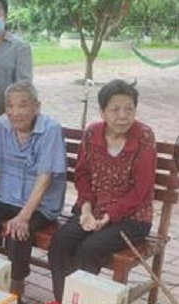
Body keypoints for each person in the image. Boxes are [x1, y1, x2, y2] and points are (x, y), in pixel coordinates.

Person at [48, 80, 155, 302]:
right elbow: (83, 175)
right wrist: (86, 210)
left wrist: (107, 216)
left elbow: (141, 191)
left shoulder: (144, 136)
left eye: (129, 109)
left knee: (90, 249)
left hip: (132, 217)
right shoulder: (92, 133)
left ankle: (78, 299)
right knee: (60, 242)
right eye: (115, 109)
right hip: (92, 210)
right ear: (102, 112)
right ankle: (64, 299)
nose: (123, 116)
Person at [0, 81, 67, 297]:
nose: (15, 112)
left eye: (23, 105)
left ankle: (16, 287)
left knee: (17, 232)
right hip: (6, 197)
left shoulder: (50, 130)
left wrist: (24, 216)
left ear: (36, 107)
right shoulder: (2, 125)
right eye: (10, 106)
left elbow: (44, 178)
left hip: (40, 204)